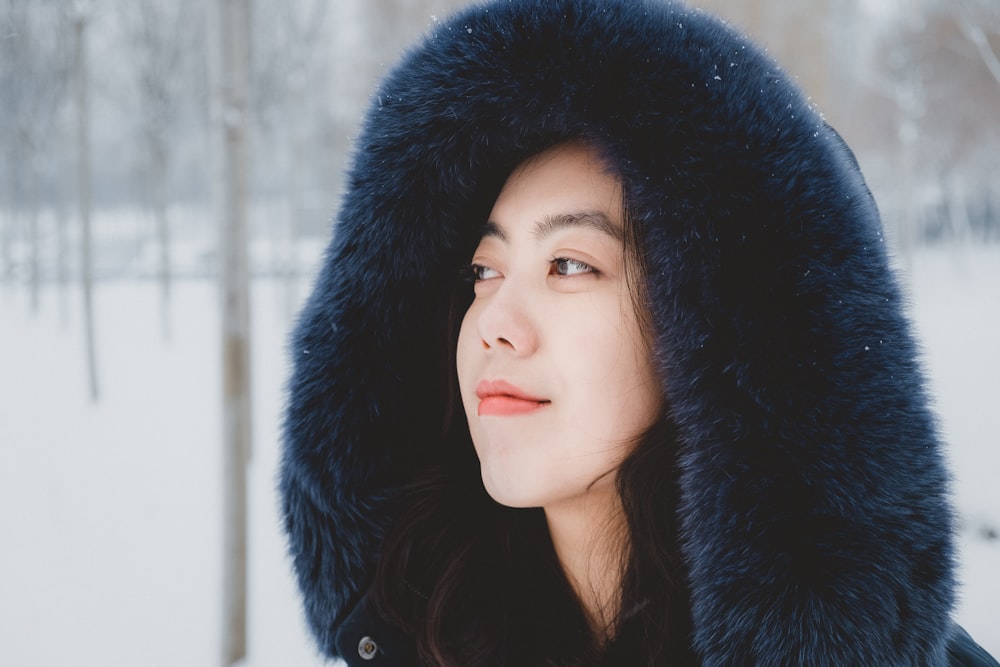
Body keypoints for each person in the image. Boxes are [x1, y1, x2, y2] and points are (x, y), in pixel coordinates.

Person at [280, 0, 998, 665]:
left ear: (719, 331)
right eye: (482, 271)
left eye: (568, 264)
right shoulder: (426, 629)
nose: (493, 326)